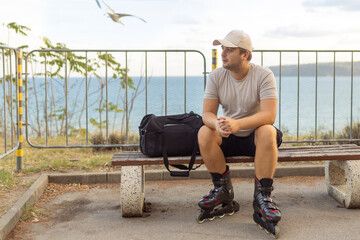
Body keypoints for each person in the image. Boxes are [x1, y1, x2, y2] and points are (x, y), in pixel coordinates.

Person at [195, 30, 282, 238]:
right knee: (204, 132)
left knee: (268, 131)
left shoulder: (264, 75)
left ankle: (263, 197)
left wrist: (238, 124)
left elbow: (269, 115)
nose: (223, 53)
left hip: (256, 136)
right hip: (229, 135)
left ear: (245, 54)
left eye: (230, 49)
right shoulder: (217, 75)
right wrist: (217, 124)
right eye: (222, 49)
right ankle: (223, 192)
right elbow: (207, 113)